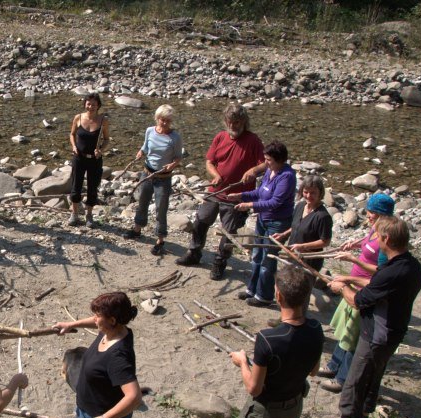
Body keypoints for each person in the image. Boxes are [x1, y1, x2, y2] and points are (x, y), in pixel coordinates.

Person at [313, 216, 421, 418]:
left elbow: (359, 301)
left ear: (386, 239)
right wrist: (349, 279)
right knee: (371, 383)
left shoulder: (394, 271)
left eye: (377, 235)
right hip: (392, 335)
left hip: (375, 337)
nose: (374, 238)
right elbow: (377, 284)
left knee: (353, 386)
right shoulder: (410, 265)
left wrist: (341, 289)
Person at [225, 266, 323, 418]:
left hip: (263, 413)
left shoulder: (269, 338)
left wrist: (242, 362)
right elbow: (313, 371)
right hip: (292, 407)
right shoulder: (316, 329)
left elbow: (254, 387)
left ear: (278, 296)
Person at [316, 193, 394, 393]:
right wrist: (356, 244)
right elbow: (368, 242)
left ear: (382, 215)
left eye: (372, 213)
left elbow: (382, 272)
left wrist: (354, 260)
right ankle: (334, 365)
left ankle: (343, 378)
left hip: (364, 288)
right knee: (344, 331)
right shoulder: (375, 229)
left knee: (353, 336)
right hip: (352, 284)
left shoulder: (387, 238)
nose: (368, 216)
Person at [177, 104, 265, 281]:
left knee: (229, 231)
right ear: (226, 121)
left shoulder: (253, 140)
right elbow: (210, 162)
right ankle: (194, 253)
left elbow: (265, 163)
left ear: (244, 121)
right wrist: (215, 175)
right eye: (230, 122)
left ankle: (220, 262)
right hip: (216, 191)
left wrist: (253, 171)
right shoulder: (220, 137)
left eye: (237, 122)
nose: (233, 125)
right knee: (201, 220)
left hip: (237, 196)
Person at [227, 141, 296, 307]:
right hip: (263, 219)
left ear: (280, 160)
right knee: (257, 255)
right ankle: (252, 289)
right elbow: (260, 192)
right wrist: (242, 195)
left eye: (269, 160)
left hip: (277, 223)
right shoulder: (270, 171)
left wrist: (249, 205)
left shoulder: (287, 176)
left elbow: (275, 202)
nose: (266, 163)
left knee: (268, 260)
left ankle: (264, 296)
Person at [124, 105, 183, 256]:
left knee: (161, 208)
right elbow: (145, 147)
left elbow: (178, 157)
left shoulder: (175, 137)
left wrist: (172, 164)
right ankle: (137, 229)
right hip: (147, 173)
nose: (164, 123)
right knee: (142, 202)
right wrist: (141, 152)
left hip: (163, 178)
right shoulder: (150, 130)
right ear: (157, 118)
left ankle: (160, 240)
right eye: (162, 120)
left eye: (167, 120)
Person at [271, 175, 333, 272]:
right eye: (305, 192)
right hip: (293, 255)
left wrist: (303, 246)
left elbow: (325, 242)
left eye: (313, 193)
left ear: (320, 193)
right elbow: (296, 226)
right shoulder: (300, 206)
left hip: (309, 260)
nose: (308, 196)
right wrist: (283, 234)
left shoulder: (323, 216)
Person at [68, 93, 111, 228]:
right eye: (88, 103)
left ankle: (89, 215)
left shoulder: (103, 120)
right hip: (79, 157)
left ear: (98, 105)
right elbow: (72, 134)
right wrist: (74, 146)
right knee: (76, 186)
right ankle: (74, 214)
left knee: (93, 187)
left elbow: (107, 139)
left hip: (94, 159)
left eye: (94, 104)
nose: (91, 106)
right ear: (85, 104)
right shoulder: (78, 118)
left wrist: (101, 150)